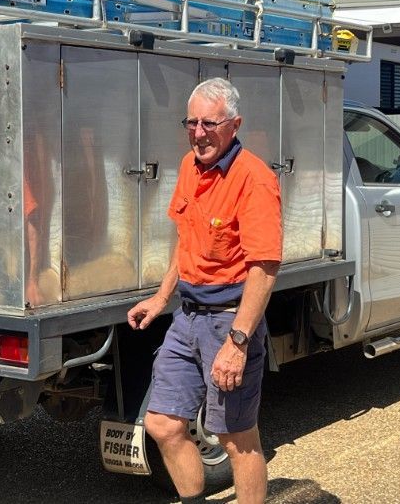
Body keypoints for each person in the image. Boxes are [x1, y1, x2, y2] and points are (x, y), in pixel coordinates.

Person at [127, 77, 282, 504]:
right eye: (191, 122)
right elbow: (187, 240)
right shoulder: (190, 167)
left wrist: (238, 341)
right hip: (186, 317)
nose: (198, 133)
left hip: (229, 321)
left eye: (209, 124)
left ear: (234, 124)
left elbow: (264, 267)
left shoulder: (254, 179)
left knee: (236, 438)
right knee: (162, 424)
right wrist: (161, 299)